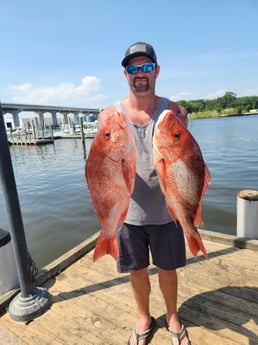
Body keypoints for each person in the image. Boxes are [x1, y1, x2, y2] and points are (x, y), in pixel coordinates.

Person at [98, 42, 191, 345]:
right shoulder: (109, 116)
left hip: (168, 210)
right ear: (125, 74)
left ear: (157, 71)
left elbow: (185, 161)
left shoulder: (173, 112)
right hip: (128, 215)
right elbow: (100, 168)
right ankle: (143, 317)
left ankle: (173, 316)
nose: (140, 74)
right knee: (136, 272)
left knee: (168, 269)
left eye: (146, 67)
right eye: (133, 69)